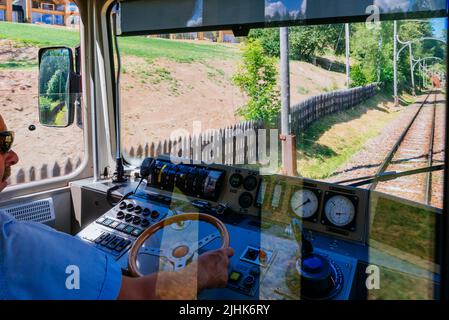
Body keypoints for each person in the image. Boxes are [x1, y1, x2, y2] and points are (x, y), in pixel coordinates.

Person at [0, 114, 234, 299]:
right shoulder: (14, 246)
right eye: (3, 144)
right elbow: (140, 296)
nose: (14, 157)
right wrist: (200, 273)